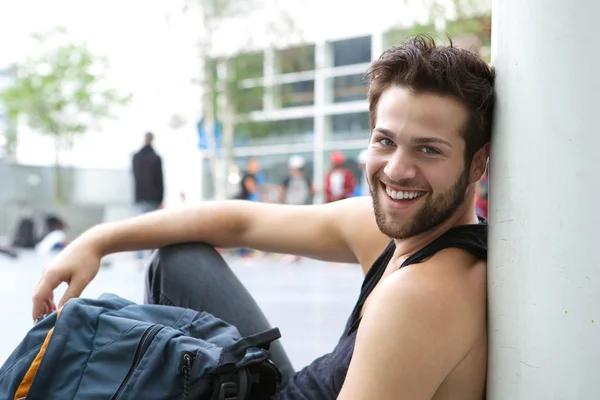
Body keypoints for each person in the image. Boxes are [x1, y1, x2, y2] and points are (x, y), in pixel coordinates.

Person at [32, 35, 495, 399]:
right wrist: (95, 241)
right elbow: (241, 223)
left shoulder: (423, 295)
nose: (397, 169)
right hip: (289, 387)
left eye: (429, 149)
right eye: (385, 141)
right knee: (179, 260)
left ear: (477, 164)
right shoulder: (401, 232)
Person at [132, 132, 164, 213]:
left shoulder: (137, 157)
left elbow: (135, 176)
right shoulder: (156, 158)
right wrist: (160, 199)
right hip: (153, 198)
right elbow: (159, 180)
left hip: (140, 197)